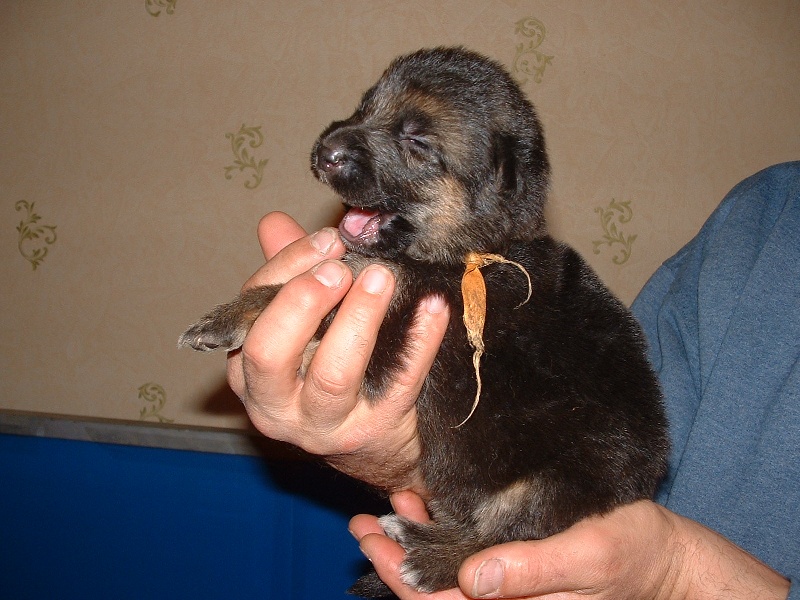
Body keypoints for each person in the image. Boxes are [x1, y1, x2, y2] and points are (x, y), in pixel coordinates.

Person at [227, 163, 799, 599]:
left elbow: (610, 478)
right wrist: (406, 448)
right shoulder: (765, 216)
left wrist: (673, 577)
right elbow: (591, 448)